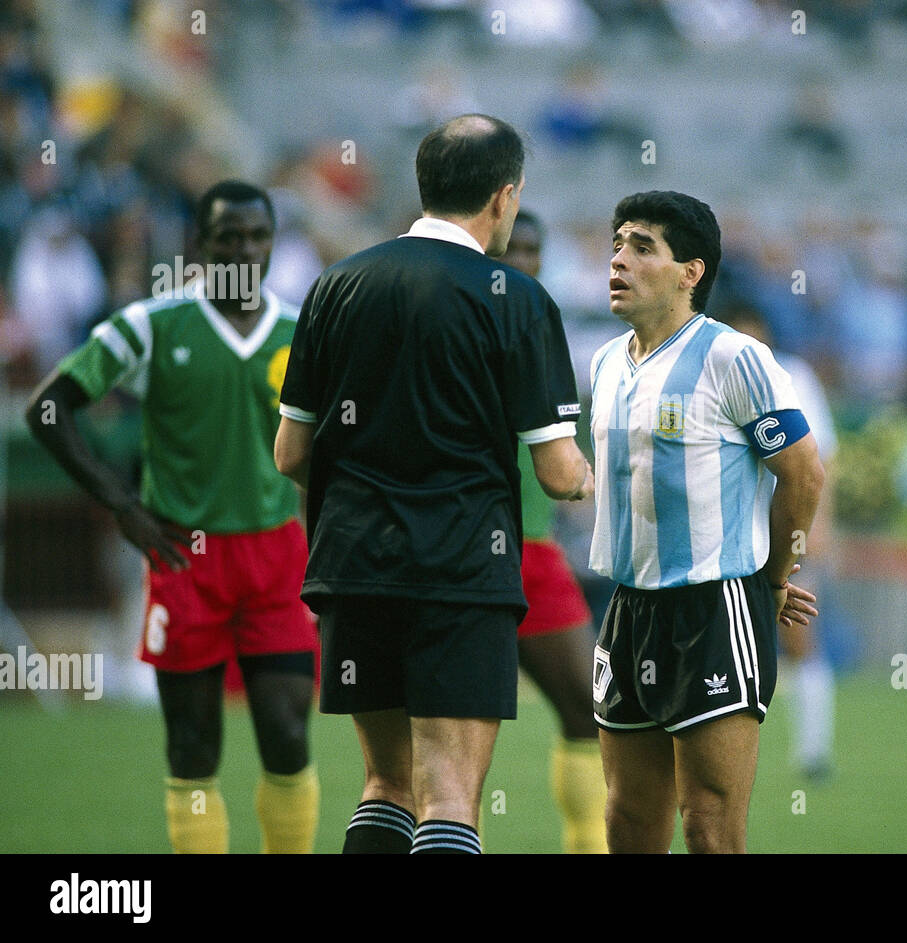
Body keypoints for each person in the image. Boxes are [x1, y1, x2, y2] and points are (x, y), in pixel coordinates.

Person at [273, 114, 592, 855]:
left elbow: (291, 453)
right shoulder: (517, 298)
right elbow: (555, 468)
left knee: (385, 786)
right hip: (459, 573)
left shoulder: (335, 285)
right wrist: (591, 476)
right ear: (504, 197)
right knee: (447, 794)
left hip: (352, 568)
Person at [25, 180, 320, 853]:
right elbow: (47, 409)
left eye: (257, 236)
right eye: (228, 237)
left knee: (289, 734)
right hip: (186, 557)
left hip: (277, 557)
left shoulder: (303, 330)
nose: (244, 250)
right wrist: (122, 504)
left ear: (274, 243)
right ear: (200, 242)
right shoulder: (153, 325)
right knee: (193, 745)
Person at [589, 190, 825, 853]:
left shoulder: (734, 358)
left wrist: (774, 577)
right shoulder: (606, 362)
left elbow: (804, 472)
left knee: (709, 824)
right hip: (629, 608)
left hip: (714, 608)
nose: (618, 260)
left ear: (690, 271)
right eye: (616, 244)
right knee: (629, 822)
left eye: (642, 247)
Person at [501, 210, 607, 852]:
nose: (525, 262)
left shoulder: (542, 333)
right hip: (456, 554)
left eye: (535, 251)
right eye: (513, 249)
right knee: (451, 739)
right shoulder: (451, 328)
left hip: (532, 554)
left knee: (592, 710)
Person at [715, 301, 839, 781]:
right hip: (730, 533)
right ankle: (728, 751)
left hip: (785, 527)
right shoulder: (713, 376)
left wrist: (817, 528)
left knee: (798, 638)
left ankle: (813, 752)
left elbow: (818, 459)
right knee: (727, 644)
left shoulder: (793, 376)